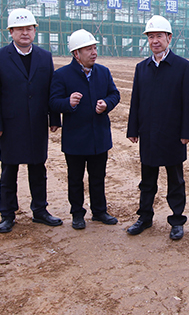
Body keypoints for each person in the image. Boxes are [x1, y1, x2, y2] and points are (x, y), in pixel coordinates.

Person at [0, 8, 62, 234]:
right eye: (19, 29)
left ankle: (40, 210)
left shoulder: (44, 57)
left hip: (37, 122)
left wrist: (54, 118)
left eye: (29, 28)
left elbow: (51, 90)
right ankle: (7, 214)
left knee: (38, 168)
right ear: (10, 32)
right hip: (11, 125)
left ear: (35, 31)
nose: (25, 33)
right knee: (9, 171)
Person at [126, 15, 189, 240]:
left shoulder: (183, 67)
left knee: (175, 180)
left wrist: (187, 132)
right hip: (148, 133)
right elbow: (136, 100)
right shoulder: (142, 68)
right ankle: (144, 217)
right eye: (151, 37)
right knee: (147, 180)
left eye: (159, 36)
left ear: (169, 38)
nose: (154, 41)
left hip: (173, 134)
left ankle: (177, 220)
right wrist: (133, 129)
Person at [49, 29, 120, 229]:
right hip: (76, 139)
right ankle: (77, 214)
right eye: (88, 49)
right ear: (76, 54)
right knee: (75, 179)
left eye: (94, 48)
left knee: (98, 177)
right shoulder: (62, 75)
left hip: (99, 136)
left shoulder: (103, 72)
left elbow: (115, 94)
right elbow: (53, 102)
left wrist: (107, 104)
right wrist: (68, 103)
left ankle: (99, 211)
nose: (94, 52)